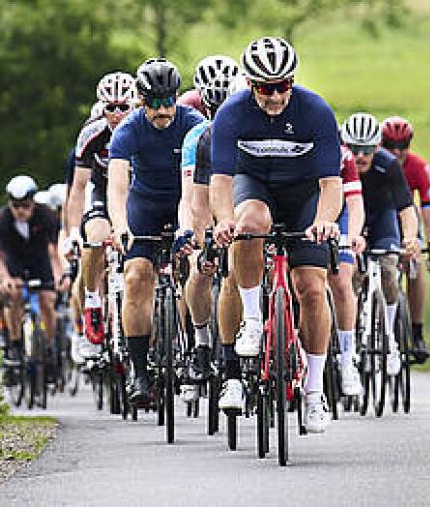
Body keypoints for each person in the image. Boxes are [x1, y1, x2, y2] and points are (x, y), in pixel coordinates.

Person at [210, 36, 342, 434]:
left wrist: (324, 220)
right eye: (265, 87)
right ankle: (252, 319)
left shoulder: (315, 110)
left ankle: (315, 392)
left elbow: (331, 184)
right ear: (250, 84)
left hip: (303, 195)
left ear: (292, 81)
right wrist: (222, 219)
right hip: (256, 187)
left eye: (282, 85)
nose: (274, 96)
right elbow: (220, 181)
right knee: (249, 223)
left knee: (312, 290)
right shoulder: (232, 114)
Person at [107, 58, 205, 406]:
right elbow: (117, 188)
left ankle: (197, 347)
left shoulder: (194, 124)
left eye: (169, 101)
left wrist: (193, 226)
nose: (163, 110)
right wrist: (120, 227)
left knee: (197, 266)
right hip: (145, 204)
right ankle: (139, 371)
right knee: (136, 276)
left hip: (186, 199)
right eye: (154, 102)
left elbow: (203, 183)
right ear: (141, 99)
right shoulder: (128, 129)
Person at [63, 72, 137, 363]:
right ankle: (92, 302)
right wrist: (71, 232)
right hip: (103, 193)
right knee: (94, 239)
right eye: (110, 108)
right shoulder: (92, 133)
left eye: (124, 107)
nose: (117, 114)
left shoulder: (143, 129)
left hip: (136, 194)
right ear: (101, 107)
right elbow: (78, 188)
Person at [177, 55, 239, 398]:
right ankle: (200, 345)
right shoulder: (196, 138)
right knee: (198, 269)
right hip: (204, 205)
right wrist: (197, 239)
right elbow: (192, 198)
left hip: (238, 209)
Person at [343, 113, 422, 377]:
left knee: (389, 268)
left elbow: (406, 208)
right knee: (349, 273)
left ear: (378, 147)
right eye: (354, 149)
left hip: (381, 218)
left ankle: (390, 339)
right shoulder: (338, 163)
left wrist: (410, 237)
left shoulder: (388, 165)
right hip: (349, 218)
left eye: (367, 150)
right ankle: (349, 334)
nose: (360, 156)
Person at [0, 175, 70, 375]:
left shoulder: (47, 216)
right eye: (16, 206)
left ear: (33, 202)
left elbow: (53, 252)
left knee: (47, 300)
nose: (20, 211)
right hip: (14, 262)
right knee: (14, 294)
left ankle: (50, 347)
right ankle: (16, 344)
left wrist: (60, 275)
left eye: (25, 205)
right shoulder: (2, 219)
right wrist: (5, 278)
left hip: (40, 260)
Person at [381, 116, 430, 362]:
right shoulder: (373, 161)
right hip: (376, 217)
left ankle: (416, 332)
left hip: (406, 220)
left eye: (403, 145)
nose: (397, 152)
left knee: (414, 267)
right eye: (390, 146)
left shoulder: (419, 167)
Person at [331, 136, 367, 397]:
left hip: (338, 214)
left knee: (343, 283)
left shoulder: (343, 156)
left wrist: (353, 235)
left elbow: (354, 204)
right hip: (303, 210)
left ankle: (347, 358)